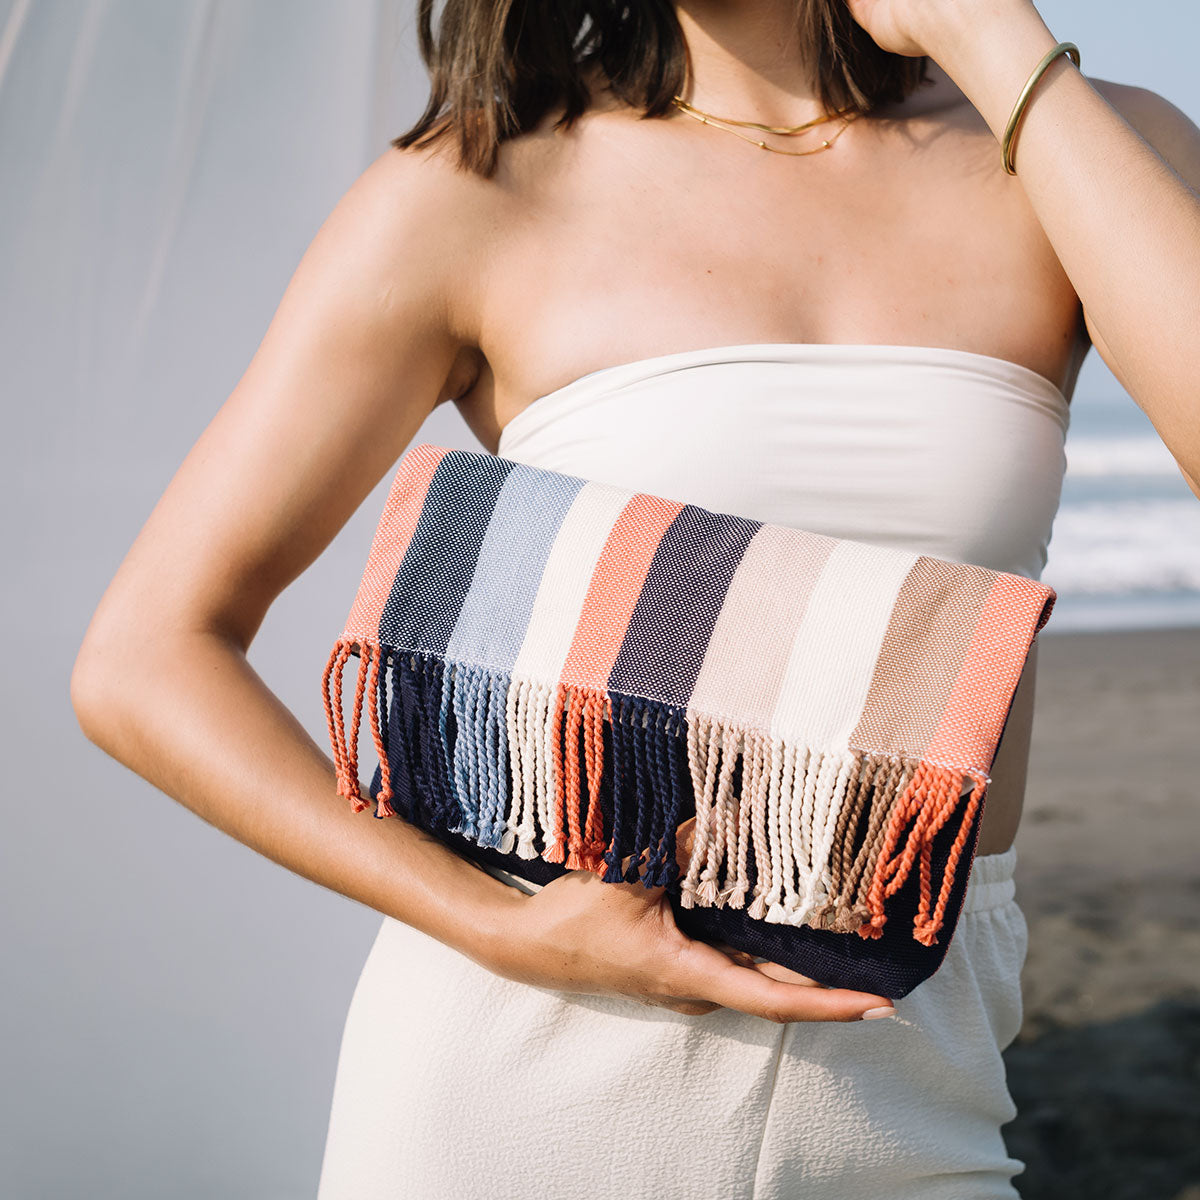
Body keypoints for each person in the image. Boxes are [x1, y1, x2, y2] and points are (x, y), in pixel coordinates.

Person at [70, 1, 1200, 1197]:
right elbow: (144, 659)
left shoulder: (1068, 140)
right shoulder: (479, 186)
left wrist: (993, 41)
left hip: (913, 1080)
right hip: (522, 1083)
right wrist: (501, 928)